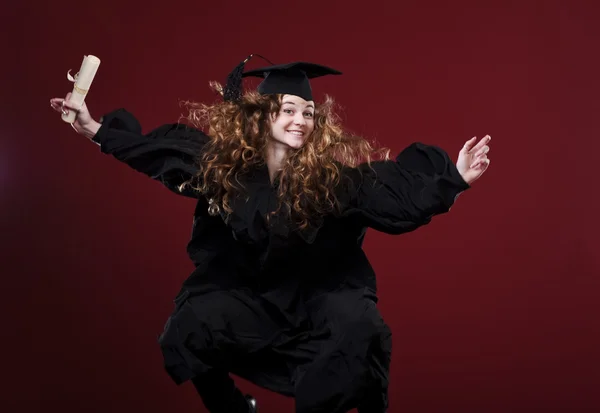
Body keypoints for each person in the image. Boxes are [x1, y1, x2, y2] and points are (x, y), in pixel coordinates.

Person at [50, 55, 491, 413]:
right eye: (289, 110)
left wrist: (453, 178)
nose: (301, 120)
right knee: (189, 326)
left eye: (309, 112)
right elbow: (161, 154)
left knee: (360, 332)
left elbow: (388, 194)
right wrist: (93, 129)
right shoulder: (225, 168)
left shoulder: (329, 178)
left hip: (320, 300)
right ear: (263, 118)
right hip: (254, 298)